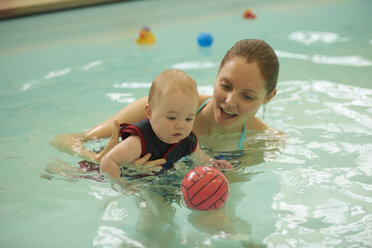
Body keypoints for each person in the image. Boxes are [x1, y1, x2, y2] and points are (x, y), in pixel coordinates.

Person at [50, 39, 280, 166]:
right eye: (225, 86)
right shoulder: (157, 111)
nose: (230, 101)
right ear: (217, 74)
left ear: (268, 97)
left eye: (247, 96)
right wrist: (98, 159)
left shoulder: (263, 142)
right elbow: (64, 140)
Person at [99, 69, 233, 178]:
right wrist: (122, 186)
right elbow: (108, 162)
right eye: (171, 118)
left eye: (188, 119)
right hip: (99, 174)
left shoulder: (188, 140)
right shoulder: (138, 142)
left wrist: (215, 164)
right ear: (150, 112)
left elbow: (201, 159)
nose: (180, 125)